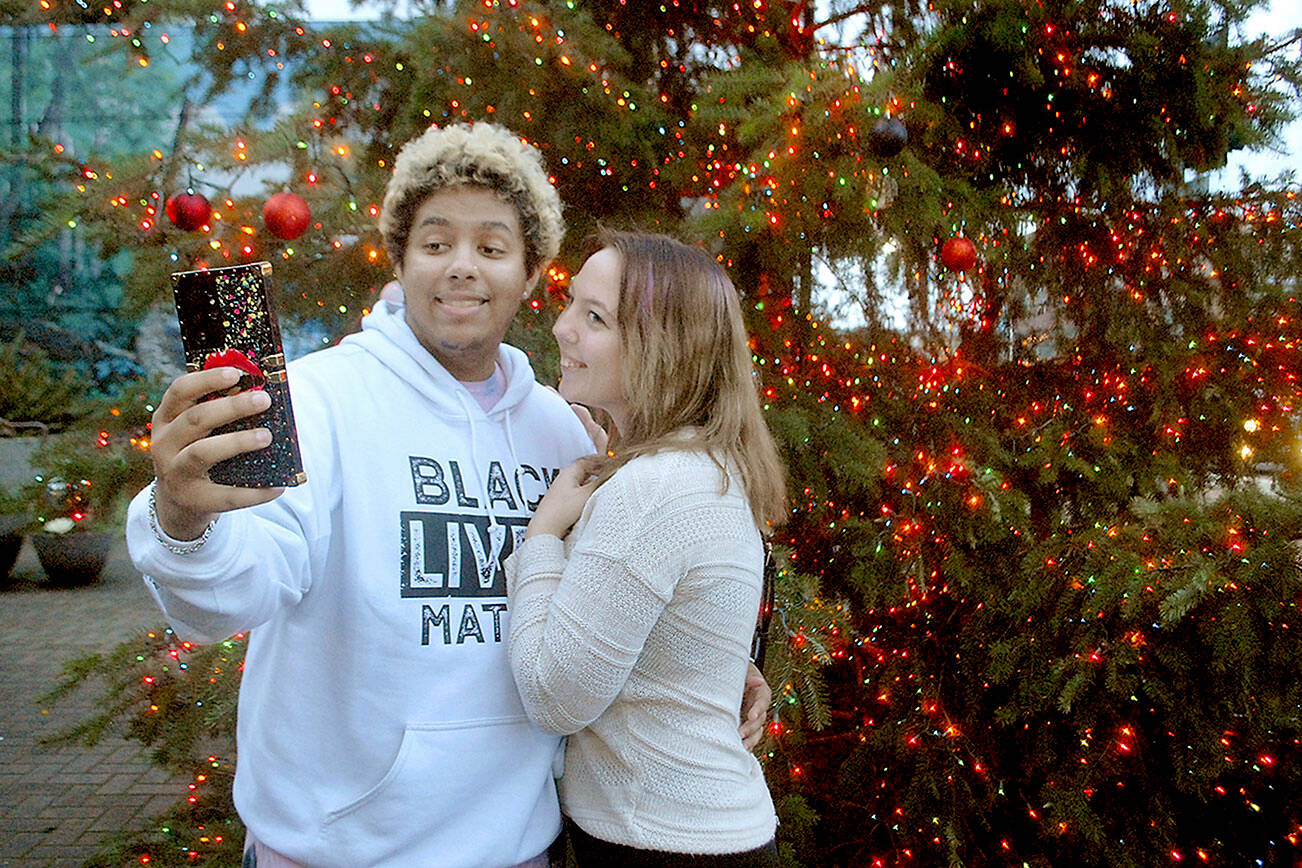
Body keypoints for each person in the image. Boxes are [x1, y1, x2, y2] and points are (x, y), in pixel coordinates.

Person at [126, 122, 769, 868]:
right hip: (337, 851)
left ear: (529, 275)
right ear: (398, 261)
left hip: (520, 848)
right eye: (435, 244)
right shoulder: (315, 401)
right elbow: (226, 598)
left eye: (492, 248)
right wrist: (181, 519)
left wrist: (699, 661)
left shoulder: (566, 430)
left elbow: (606, 603)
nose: (462, 268)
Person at [505, 229, 787, 866]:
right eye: (571, 303)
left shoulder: (655, 486)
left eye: (595, 317)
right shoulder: (698, 465)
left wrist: (544, 536)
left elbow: (553, 697)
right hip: (692, 834)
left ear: (664, 348)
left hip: (663, 844)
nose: (561, 328)